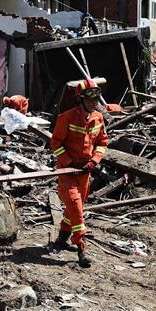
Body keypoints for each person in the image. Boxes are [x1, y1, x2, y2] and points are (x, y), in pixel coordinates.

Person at [49, 79, 109, 268]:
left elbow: (102, 143)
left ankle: (61, 239)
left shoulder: (98, 118)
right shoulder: (66, 118)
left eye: (96, 99)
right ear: (80, 99)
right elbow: (55, 144)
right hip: (67, 171)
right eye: (89, 99)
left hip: (85, 171)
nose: (93, 103)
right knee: (75, 205)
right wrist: (68, 161)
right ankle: (82, 247)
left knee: (75, 209)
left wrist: (94, 161)